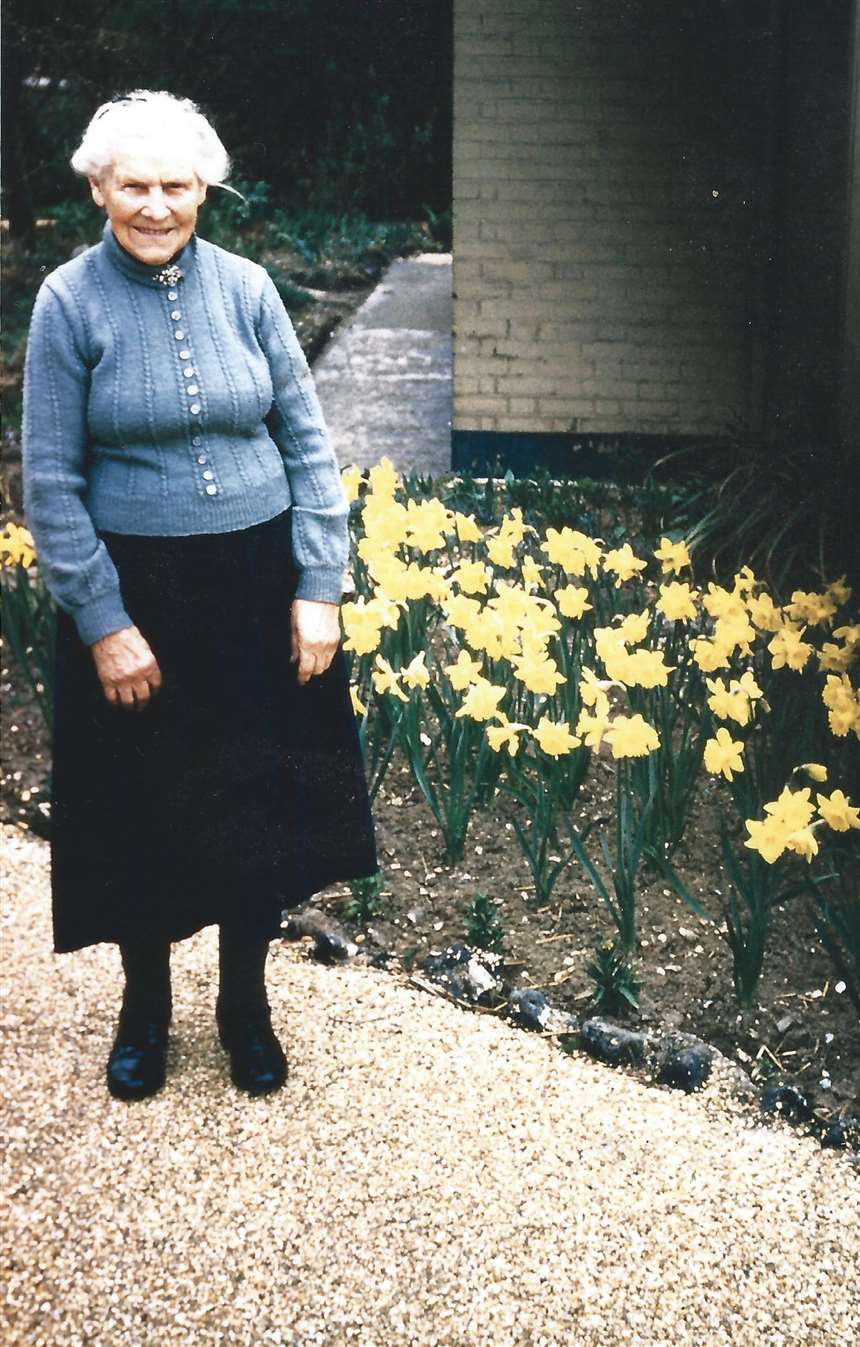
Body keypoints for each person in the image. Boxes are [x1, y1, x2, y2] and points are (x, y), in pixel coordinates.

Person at [21, 90, 379, 1101]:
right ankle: (146, 1008)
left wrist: (318, 588)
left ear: (205, 190)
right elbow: (50, 483)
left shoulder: (249, 289)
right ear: (98, 187)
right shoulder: (68, 304)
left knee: (254, 805)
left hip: (258, 589)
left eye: (176, 184)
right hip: (142, 598)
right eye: (133, 184)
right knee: (142, 809)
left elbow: (308, 443)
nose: (155, 204)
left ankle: (243, 1004)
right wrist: (103, 622)